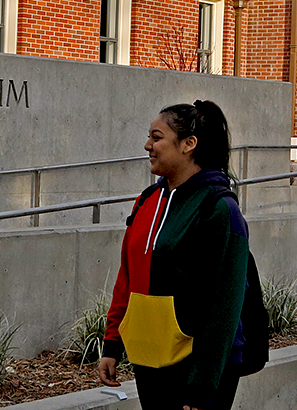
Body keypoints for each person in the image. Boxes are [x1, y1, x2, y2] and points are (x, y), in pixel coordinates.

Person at [96, 100, 253, 410]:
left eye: (156, 137)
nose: (147, 145)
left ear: (188, 144)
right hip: (151, 360)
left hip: (197, 369)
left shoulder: (220, 210)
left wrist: (202, 386)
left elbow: (225, 308)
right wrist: (112, 343)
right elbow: (127, 276)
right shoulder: (147, 200)